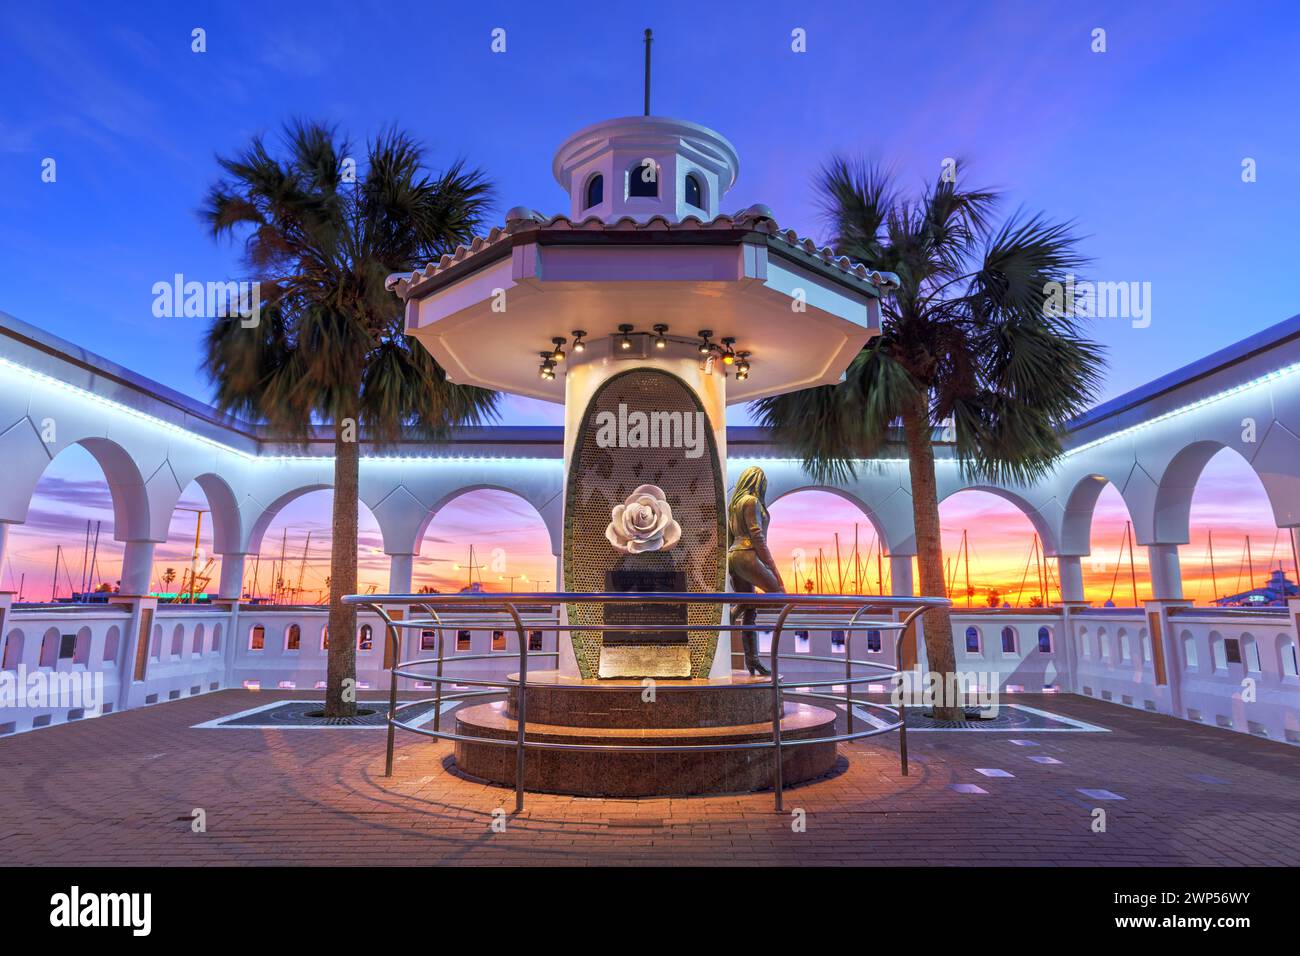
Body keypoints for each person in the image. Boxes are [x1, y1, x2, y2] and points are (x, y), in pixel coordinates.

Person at [726, 466, 785, 676]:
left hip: (734, 556)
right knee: (779, 596)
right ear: (757, 482)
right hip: (747, 554)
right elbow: (757, 536)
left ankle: (752, 661)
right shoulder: (751, 502)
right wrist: (772, 566)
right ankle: (738, 606)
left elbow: (729, 536)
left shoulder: (734, 504)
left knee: (750, 614)